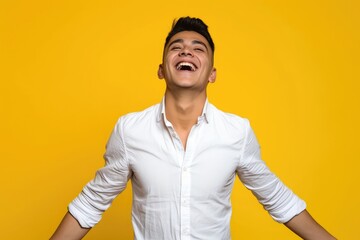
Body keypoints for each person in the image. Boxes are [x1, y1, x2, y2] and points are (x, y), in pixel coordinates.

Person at [50, 17, 336, 240]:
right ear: (162, 69)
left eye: (198, 48)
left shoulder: (236, 132)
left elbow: (278, 199)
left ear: (212, 74)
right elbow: (91, 203)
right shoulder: (130, 131)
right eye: (176, 47)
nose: (186, 50)